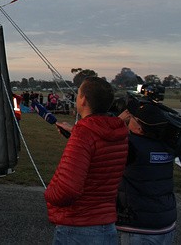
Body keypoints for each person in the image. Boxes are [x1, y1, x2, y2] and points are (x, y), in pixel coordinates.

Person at [45, 76, 128, 244]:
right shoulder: (118, 132)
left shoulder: (84, 133)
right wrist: (75, 133)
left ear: (83, 100)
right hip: (107, 224)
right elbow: (100, 154)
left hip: (78, 227)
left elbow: (68, 189)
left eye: (78, 94)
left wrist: (49, 195)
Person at [116, 99, 176, 243]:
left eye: (133, 118)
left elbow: (98, 140)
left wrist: (117, 121)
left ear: (139, 128)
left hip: (140, 226)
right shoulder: (167, 145)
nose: (129, 118)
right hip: (165, 222)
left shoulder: (131, 146)